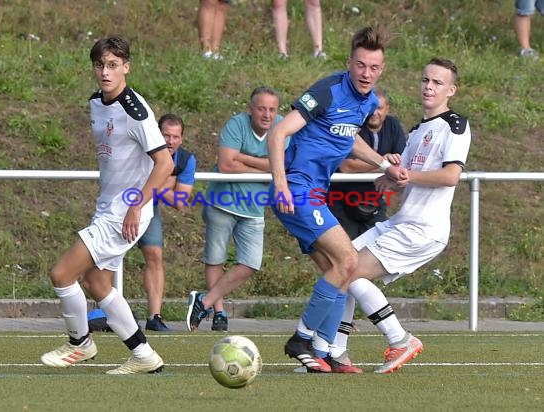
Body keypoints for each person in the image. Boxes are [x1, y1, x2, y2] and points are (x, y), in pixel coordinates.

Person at [267, 26, 406, 373]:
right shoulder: (328, 90)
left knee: (337, 271)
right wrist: (281, 184)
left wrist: (382, 162)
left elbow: (350, 140)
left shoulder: (369, 102)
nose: (366, 73)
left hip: (315, 193)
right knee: (348, 261)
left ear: (381, 70)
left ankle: (326, 352)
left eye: (374, 68)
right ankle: (302, 338)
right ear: (350, 63)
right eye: (361, 65)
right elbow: (279, 131)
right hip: (297, 189)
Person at [321, 57, 472, 374]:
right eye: (425, 80)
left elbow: (450, 177)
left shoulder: (455, 125)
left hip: (424, 229)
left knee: (350, 272)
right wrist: (391, 176)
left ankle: (400, 339)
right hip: (402, 222)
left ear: (451, 90)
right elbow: (409, 175)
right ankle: (337, 355)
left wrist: (406, 177)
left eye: (437, 83)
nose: (429, 87)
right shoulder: (417, 130)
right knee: (341, 266)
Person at [40, 36, 174, 374]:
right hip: (108, 207)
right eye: (100, 64)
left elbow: (165, 164)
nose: (105, 71)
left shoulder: (136, 111)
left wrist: (135, 205)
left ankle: (79, 343)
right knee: (98, 284)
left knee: (61, 274)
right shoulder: (96, 103)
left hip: (125, 212)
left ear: (126, 67)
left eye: (113, 65)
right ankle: (143, 355)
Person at [186, 86, 285, 332]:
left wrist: (244, 158)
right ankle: (219, 312)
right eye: (261, 108)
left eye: (272, 109)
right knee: (215, 258)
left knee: (251, 262)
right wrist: (266, 166)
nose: (267, 114)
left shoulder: (282, 127)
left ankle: (204, 301)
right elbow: (226, 165)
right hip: (222, 202)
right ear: (250, 109)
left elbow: (282, 165)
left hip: (254, 208)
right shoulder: (236, 124)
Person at [139, 114, 196, 332]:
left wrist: (156, 185)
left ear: (181, 139)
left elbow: (180, 202)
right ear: (157, 134)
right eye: (166, 135)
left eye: (175, 137)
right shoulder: (143, 151)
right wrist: (166, 184)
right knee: (107, 257)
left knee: (155, 255)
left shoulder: (185, 160)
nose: (170, 141)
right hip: (122, 204)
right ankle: (103, 312)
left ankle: (154, 316)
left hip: (148, 208)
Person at [328, 88, 406, 240]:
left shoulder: (393, 125)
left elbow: (401, 164)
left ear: (387, 109)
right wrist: (384, 163)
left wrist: (385, 165)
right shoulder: (352, 123)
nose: (374, 112)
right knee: (345, 255)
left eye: (379, 108)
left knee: (375, 251)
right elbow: (346, 166)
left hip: (375, 199)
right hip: (341, 199)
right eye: (371, 107)